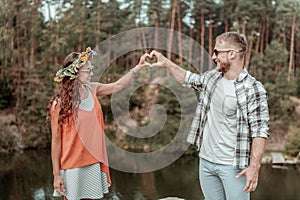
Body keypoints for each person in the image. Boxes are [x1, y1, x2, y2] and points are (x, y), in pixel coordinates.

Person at [149, 32, 269, 200]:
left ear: (232, 54)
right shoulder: (212, 78)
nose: (213, 56)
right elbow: (188, 79)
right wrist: (166, 63)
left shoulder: (253, 89)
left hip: (233, 167)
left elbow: (260, 131)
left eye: (217, 51)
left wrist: (254, 168)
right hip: (206, 162)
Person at [48, 47, 150, 200]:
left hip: (93, 161)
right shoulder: (59, 103)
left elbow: (117, 86)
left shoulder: (92, 89)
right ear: (75, 73)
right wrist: (56, 174)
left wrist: (138, 67)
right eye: (88, 71)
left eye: (91, 69)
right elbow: (56, 141)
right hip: (72, 165)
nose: (92, 73)